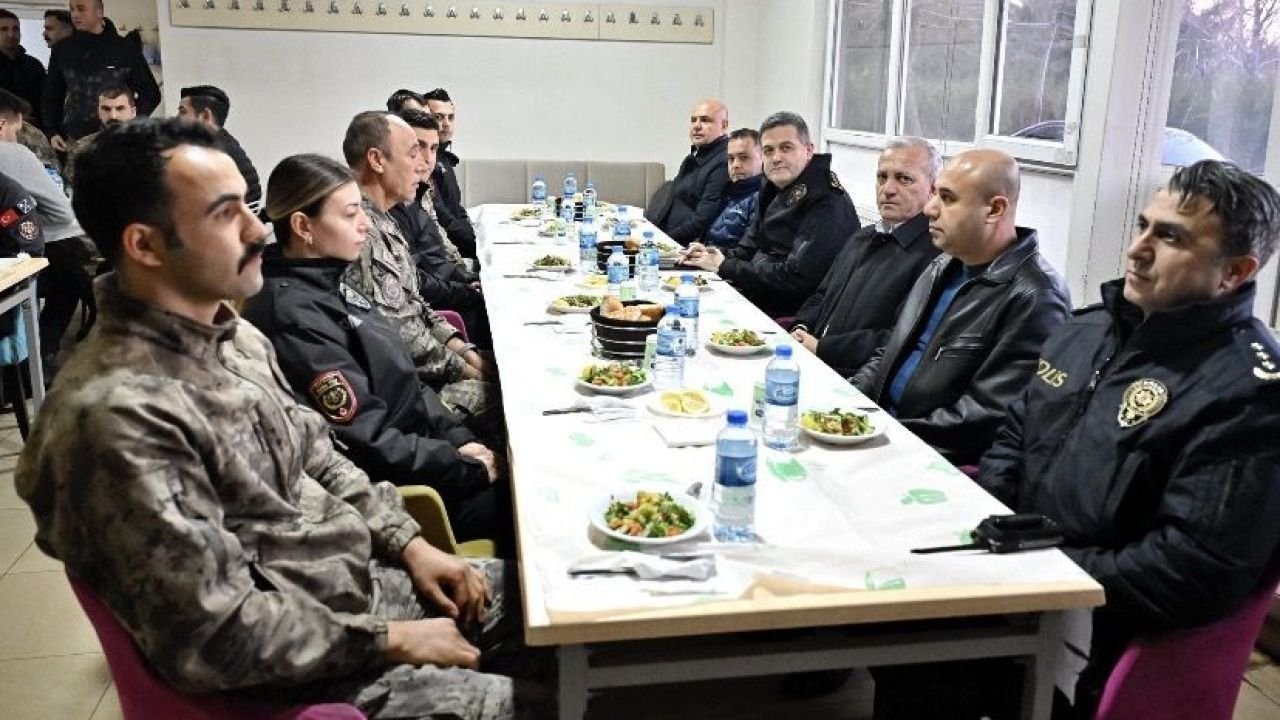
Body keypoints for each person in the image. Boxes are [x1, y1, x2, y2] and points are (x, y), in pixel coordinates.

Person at [16, 118, 525, 719]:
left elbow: (319, 457)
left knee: (560, 606)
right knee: (571, 697)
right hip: (305, 668)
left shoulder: (230, 337)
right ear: (145, 245)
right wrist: (390, 640)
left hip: (354, 585)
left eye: (248, 207)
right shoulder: (115, 419)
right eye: (226, 214)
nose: (260, 229)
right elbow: (215, 634)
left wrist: (410, 544)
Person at [978, 159, 1280, 718]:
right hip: (1020, 585)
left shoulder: (1249, 393)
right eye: (1144, 226)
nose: (1138, 250)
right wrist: (996, 528)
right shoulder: (1087, 329)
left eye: (1171, 237)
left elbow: (1190, 571)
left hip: (1101, 634)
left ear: (1234, 272)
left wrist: (1043, 569)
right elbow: (1015, 433)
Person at [244, 153, 508, 546]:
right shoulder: (292, 316)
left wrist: (458, 439)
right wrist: (463, 466)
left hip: (430, 455)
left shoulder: (331, 278)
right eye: (350, 214)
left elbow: (408, 381)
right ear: (303, 227)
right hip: (409, 496)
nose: (366, 224)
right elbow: (366, 442)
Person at [850, 149, 1070, 466]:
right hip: (884, 433)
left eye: (947, 198)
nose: (930, 208)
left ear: (994, 209)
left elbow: (986, 416)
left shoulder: (1036, 297)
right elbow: (891, 350)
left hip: (932, 458)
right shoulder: (942, 265)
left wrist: (884, 436)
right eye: (935, 194)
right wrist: (848, 402)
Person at [341, 111, 500, 431]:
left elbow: (416, 305)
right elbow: (398, 336)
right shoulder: (362, 232)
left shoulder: (385, 219)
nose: (422, 165)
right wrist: (465, 369)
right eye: (413, 153)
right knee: (513, 399)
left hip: (426, 369)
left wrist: (466, 352)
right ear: (376, 160)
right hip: (407, 393)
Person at [681, 111, 859, 319]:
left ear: (809, 150)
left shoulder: (827, 200)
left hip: (793, 315)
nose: (776, 158)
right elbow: (748, 249)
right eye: (768, 150)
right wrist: (712, 254)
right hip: (757, 295)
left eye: (786, 148)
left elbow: (796, 278)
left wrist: (725, 266)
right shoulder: (772, 186)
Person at [790, 137, 943, 376]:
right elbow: (822, 295)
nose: (888, 189)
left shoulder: (935, 257)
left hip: (856, 378)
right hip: (810, 358)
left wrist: (823, 348)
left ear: (933, 189)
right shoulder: (862, 237)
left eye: (904, 179)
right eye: (882, 177)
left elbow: (901, 338)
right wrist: (802, 327)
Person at [0, 89, 91, 374]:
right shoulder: (13, 153)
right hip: (10, 266)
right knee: (71, 274)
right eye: (16, 131)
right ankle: (39, 360)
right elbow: (63, 215)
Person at [391, 108, 490, 347]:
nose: (427, 159)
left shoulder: (418, 195)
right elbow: (415, 284)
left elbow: (437, 255)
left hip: (445, 293)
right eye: (417, 149)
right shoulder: (388, 208)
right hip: (436, 312)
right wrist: (464, 291)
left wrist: (465, 279)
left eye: (434, 149)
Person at [44, 0, 160, 152]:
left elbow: (150, 93)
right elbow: (51, 95)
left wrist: (131, 124)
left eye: (81, 9)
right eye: (72, 9)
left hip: (117, 137)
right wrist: (52, 131)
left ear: (99, 12)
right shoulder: (62, 49)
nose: (75, 15)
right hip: (74, 138)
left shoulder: (125, 48)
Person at [647, 99, 731, 245]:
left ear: (724, 126)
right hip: (663, 238)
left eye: (705, 120)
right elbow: (672, 198)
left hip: (683, 246)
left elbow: (703, 219)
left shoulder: (723, 161)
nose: (696, 126)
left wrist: (664, 242)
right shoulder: (695, 157)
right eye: (693, 120)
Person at [178, 84, 262, 208]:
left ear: (205, 116)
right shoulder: (222, 141)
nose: (177, 118)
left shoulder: (210, 153)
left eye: (182, 111)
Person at [702, 127, 763, 249]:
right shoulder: (725, 191)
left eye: (743, 157)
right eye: (731, 158)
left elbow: (747, 251)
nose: (735, 165)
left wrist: (711, 254)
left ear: (763, 158)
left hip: (726, 259)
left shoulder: (762, 197)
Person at [63, 82, 134, 186]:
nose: (113, 116)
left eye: (120, 108)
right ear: (98, 112)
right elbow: (70, 188)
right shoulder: (81, 149)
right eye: (106, 109)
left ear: (133, 112)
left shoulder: (151, 148)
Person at [0, 10, 45, 131]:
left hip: (33, 131)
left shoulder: (34, 65)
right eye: (4, 29)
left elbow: (45, 101)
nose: (11, 34)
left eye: (15, 29)